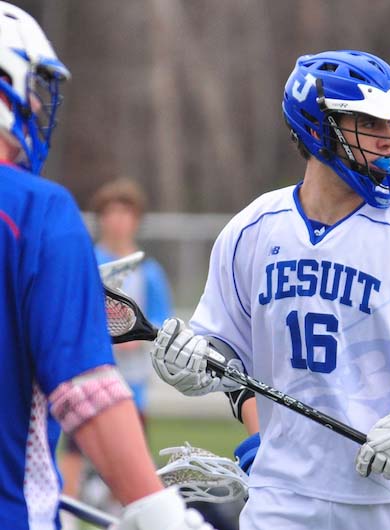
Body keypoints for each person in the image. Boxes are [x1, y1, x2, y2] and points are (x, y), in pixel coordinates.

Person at [150, 49, 390, 530]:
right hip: (282, 497)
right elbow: (228, 350)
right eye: (370, 124)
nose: (389, 139)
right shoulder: (252, 228)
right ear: (319, 128)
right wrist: (192, 362)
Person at [0, 3, 213, 529]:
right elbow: (84, 390)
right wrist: (159, 510)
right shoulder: (36, 211)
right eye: (30, 87)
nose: (35, 104)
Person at [60, 178, 173, 508]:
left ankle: (122, 514)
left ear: (136, 219)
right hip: (88, 375)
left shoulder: (148, 271)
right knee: (74, 450)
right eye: (111, 213)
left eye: (126, 213)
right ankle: (66, 515)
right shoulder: (86, 261)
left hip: (132, 380)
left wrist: (138, 337)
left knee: (130, 459)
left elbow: (161, 318)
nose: (118, 221)